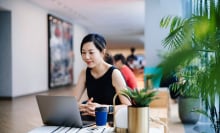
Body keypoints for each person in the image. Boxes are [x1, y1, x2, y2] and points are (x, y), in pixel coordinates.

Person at [73, 33, 130, 118]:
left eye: (91, 52)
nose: (86, 57)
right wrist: (82, 106)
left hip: (113, 119)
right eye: (83, 52)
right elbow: (72, 102)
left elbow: (128, 106)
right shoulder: (84, 73)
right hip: (93, 119)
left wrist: (104, 108)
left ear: (102, 52)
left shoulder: (114, 73)